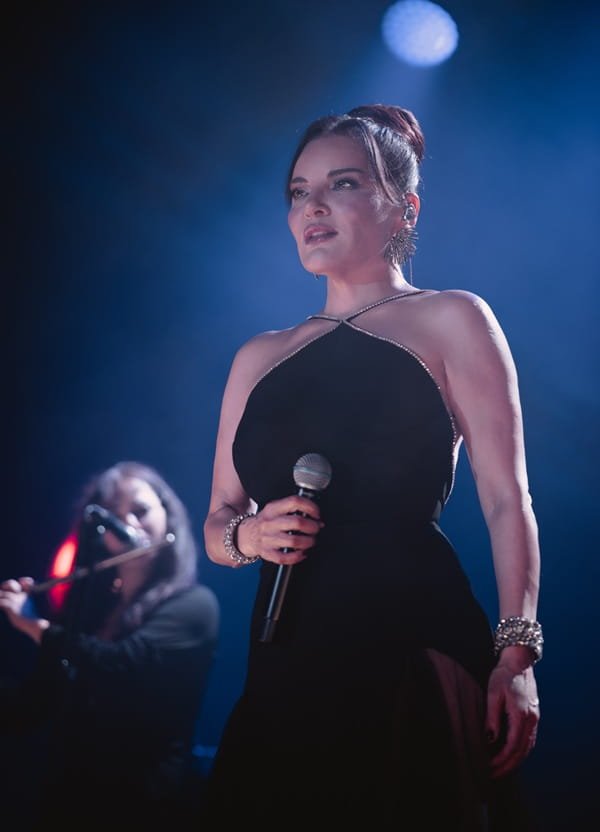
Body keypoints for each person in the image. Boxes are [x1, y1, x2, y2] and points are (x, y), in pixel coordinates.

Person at [201, 104, 542, 830]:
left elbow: (506, 498)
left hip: (408, 641)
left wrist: (517, 655)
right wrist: (249, 537)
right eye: (299, 191)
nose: (313, 207)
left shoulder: (451, 318)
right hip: (286, 655)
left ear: (404, 208)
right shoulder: (258, 356)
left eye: (344, 184)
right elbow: (218, 521)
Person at [0, 460, 220, 827]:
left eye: (140, 510)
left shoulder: (194, 606)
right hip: (69, 800)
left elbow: (120, 667)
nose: (128, 522)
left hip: (144, 805)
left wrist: (36, 627)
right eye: (113, 516)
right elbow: (33, 704)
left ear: (169, 518)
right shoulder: (89, 613)